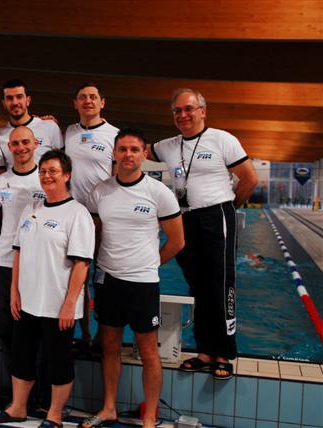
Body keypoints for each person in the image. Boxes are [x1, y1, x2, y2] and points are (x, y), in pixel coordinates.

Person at [149, 88, 258, 379]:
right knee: (197, 286)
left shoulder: (222, 139)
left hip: (216, 215)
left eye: (189, 109)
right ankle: (204, 352)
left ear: (202, 111)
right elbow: (130, 145)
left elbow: (249, 178)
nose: (183, 115)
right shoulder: (168, 146)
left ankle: (224, 353)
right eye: (177, 110)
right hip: (186, 218)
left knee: (220, 284)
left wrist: (229, 208)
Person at [81, 129, 184, 428]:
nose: (128, 155)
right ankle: (109, 408)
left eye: (134, 149)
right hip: (107, 280)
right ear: (114, 153)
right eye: (123, 149)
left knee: (149, 352)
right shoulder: (100, 191)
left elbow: (177, 241)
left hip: (142, 283)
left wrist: (150, 264)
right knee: (110, 348)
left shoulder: (158, 192)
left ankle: (150, 416)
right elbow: (94, 234)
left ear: (144, 154)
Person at [0, 150, 94, 427]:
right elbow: (19, 253)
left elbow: (81, 264)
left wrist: (70, 304)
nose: (46, 176)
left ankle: (54, 415)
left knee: (58, 359)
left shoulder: (77, 214)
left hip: (58, 303)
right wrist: (14, 292)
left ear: (66, 175)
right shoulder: (31, 209)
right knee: (21, 355)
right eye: (43, 171)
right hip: (28, 301)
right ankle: (18, 407)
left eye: (53, 171)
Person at [65, 83, 120, 348]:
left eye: (93, 97)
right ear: (75, 104)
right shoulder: (69, 132)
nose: (88, 101)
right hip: (73, 216)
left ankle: (102, 335)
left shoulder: (114, 134)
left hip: (101, 217)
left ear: (102, 102)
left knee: (103, 277)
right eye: (82, 97)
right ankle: (84, 335)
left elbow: (119, 177)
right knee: (76, 277)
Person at [0, 126, 44, 373]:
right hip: (3, 262)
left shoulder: (46, 179)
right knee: (7, 328)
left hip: (37, 263)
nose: (21, 148)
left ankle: (38, 388)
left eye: (25, 142)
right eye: (16, 144)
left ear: (35, 144)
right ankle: (16, 386)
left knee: (35, 327)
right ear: (9, 147)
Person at [0, 79, 63, 168]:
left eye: (19, 97)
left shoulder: (49, 126)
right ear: (4, 103)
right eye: (9, 98)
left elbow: (62, 164)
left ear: (28, 100)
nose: (15, 102)